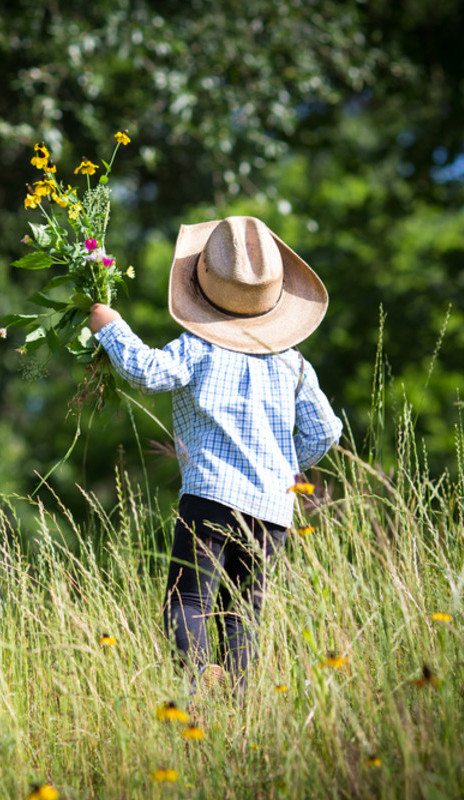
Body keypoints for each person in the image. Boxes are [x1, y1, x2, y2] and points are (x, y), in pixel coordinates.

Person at [89, 215, 342, 691]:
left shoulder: (199, 347)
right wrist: (281, 467)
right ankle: (237, 712)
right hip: (272, 510)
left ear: (204, 283)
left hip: (210, 496)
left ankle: (197, 684)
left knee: (187, 602)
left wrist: (110, 326)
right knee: (242, 617)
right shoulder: (292, 362)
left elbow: (148, 373)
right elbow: (325, 431)